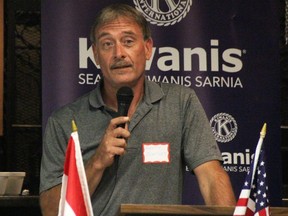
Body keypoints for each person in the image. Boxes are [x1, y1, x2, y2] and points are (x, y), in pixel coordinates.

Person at [39, 3, 236, 216]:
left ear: (148, 47)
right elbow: (51, 210)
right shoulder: (64, 120)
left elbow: (211, 176)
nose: (119, 53)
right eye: (107, 44)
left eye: (128, 41)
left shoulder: (181, 102)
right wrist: (96, 162)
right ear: (95, 55)